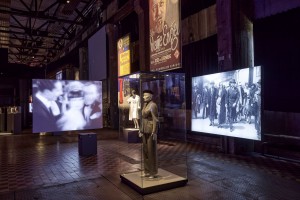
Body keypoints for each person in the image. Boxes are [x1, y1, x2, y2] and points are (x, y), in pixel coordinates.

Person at [139, 90, 159, 179]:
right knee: (145, 151)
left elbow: (155, 119)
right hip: (144, 130)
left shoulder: (153, 105)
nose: (143, 97)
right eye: (143, 95)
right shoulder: (145, 105)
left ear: (150, 96)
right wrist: (140, 129)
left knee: (151, 152)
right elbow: (142, 118)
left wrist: (154, 131)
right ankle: (146, 171)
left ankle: (153, 172)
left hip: (150, 130)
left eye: (145, 95)